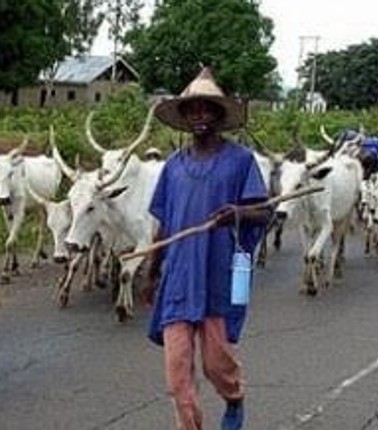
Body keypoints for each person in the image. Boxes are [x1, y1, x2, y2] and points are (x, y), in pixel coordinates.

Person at [143, 67, 271, 430]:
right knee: (177, 376)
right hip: (179, 280)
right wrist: (152, 274)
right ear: (183, 117)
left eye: (206, 108)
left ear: (218, 114)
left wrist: (238, 212)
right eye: (192, 109)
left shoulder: (240, 161)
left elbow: (264, 212)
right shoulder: (173, 168)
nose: (199, 115)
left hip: (221, 274)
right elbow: (163, 226)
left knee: (216, 363)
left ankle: (234, 397)